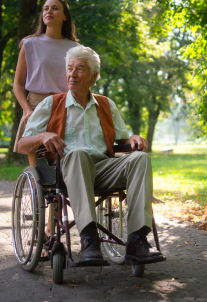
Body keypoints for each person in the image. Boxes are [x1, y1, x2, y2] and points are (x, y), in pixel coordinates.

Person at [17, 45, 165, 265]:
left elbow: (123, 141)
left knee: (140, 158)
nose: (72, 74)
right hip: (66, 170)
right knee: (77, 154)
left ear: (93, 76)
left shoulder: (106, 104)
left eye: (80, 69)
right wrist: (43, 136)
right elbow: (21, 144)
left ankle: (137, 239)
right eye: (69, 68)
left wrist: (132, 138)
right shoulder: (52, 103)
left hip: (103, 168)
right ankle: (89, 239)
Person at [12, 0, 79, 168]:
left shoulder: (75, 49)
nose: (49, 11)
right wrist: (27, 111)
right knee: (39, 172)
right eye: (46, 8)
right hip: (36, 106)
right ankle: (37, 193)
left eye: (55, 8)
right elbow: (18, 84)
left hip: (65, 106)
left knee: (66, 163)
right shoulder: (30, 44)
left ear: (65, 16)